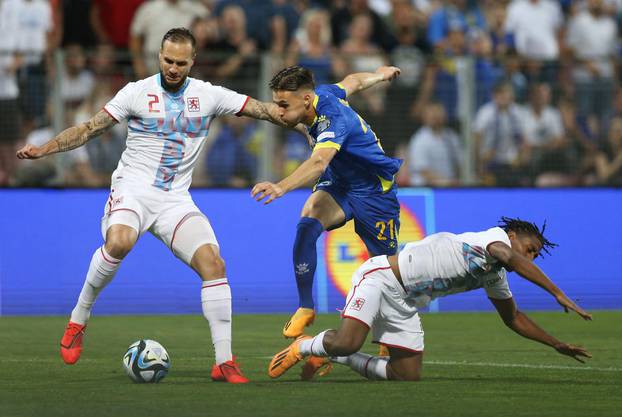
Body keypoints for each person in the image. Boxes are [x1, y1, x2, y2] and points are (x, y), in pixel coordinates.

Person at [16, 27, 306, 384]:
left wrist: (306, 123)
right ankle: (79, 319)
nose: (173, 68)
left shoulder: (209, 95)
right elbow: (90, 128)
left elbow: (263, 110)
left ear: (192, 62)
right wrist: (45, 149)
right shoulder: (136, 93)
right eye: (168, 60)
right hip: (132, 189)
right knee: (119, 242)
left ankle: (224, 362)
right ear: (159, 56)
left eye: (181, 63)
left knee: (214, 264)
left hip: (175, 200)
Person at [267, 217, 593, 381]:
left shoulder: (495, 274)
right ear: (512, 236)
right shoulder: (494, 239)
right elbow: (510, 257)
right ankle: (305, 345)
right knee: (349, 340)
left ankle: (334, 357)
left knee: (405, 375)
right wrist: (557, 293)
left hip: (405, 302)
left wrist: (556, 344)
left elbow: (514, 318)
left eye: (535, 255)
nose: (530, 257)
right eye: (530, 249)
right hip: (381, 278)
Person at [251, 65, 402, 339]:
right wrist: (380, 74)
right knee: (307, 223)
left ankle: (390, 331)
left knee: (385, 268)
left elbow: (319, 162)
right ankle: (306, 307)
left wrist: (280, 186)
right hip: (340, 183)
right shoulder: (324, 94)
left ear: (306, 100)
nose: (280, 111)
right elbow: (353, 80)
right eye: (277, 104)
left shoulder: (333, 118)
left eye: (284, 105)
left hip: (374, 190)